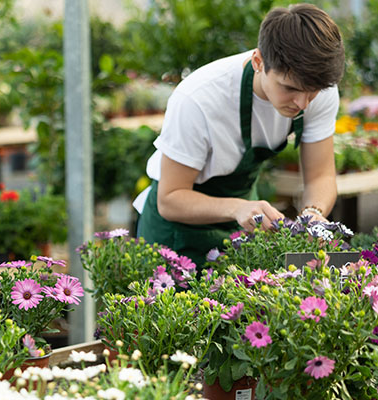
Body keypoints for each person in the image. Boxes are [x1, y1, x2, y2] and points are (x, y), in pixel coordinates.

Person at [134, 3, 344, 266]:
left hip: (242, 224)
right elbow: (170, 199)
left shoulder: (320, 89)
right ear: (259, 61)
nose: (302, 103)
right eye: (290, 88)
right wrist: (237, 208)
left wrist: (313, 213)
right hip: (176, 231)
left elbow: (321, 175)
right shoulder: (199, 99)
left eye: (311, 92)